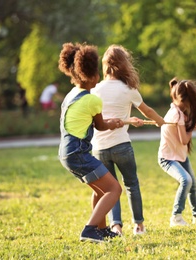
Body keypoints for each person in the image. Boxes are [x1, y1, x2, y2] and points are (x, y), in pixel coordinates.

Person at [91, 44, 165, 236]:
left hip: (99, 148)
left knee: (110, 188)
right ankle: (139, 225)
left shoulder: (95, 90)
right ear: (124, 65)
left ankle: (116, 226)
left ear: (105, 66)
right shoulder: (128, 89)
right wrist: (160, 122)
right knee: (132, 184)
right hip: (121, 146)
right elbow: (147, 111)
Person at [58, 42, 124, 243]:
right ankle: (89, 229)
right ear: (90, 74)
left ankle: (102, 230)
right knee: (115, 189)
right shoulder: (92, 100)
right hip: (78, 153)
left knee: (101, 190)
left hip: (66, 153)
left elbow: (94, 123)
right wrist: (113, 124)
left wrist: (109, 123)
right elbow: (101, 125)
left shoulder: (71, 95)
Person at [158, 78, 196, 227]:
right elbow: (184, 140)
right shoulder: (177, 115)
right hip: (168, 158)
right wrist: (192, 127)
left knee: (193, 184)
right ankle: (176, 216)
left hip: (180, 156)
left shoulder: (177, 111)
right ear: (187, 100)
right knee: (186, 181)